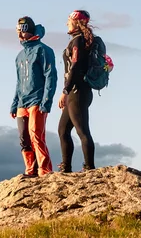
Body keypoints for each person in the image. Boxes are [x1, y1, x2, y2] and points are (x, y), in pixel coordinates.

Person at [9, 16, 56, 177]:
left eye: (21, 31)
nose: (19, 35)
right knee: (24, 138)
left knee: (36, 134)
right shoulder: (19, 56)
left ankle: (44, 170)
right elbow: (19, 81)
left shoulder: (44, 50)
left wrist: (46, 101)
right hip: (22, 102)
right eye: (17, 31)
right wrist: (14, 104)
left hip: (37, 99)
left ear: (28, 30)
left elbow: (51, 76)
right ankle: (30, 170)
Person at [57, 9, 103, 172]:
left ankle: (89, 167)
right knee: (63, 130)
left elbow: (75, 67)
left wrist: (65, 90)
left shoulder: (78, 42)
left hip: (78, 92)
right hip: (77, 92)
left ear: (76, 22)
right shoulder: (80, 41)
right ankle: (66, 166)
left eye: (68, 21)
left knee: (82, 131)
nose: (66, 23)